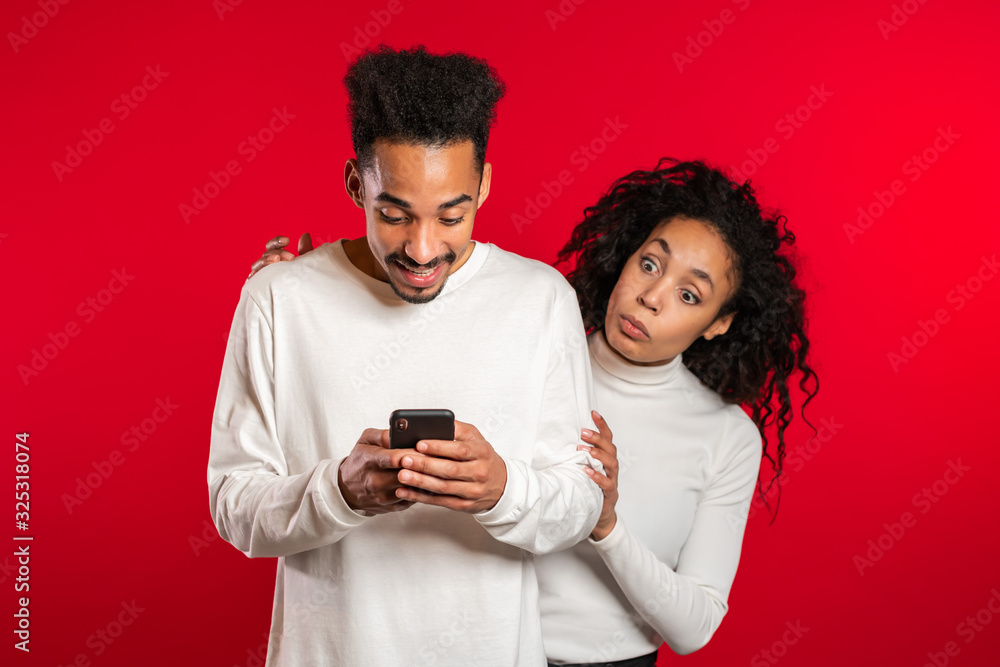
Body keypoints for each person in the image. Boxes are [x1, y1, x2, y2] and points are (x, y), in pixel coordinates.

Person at [252, 158, 818, 667]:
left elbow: (694, 627)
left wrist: (605, 524)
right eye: (650, 264)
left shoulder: (727, 437)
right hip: (484, 649)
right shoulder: (521, 341)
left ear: (720, 322)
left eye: (690, 294)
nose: (653, 296)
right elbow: (405, 360)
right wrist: (314, 297)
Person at [209, 45, 603, 667]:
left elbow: (581, 504)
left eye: (452, 216)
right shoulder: (279, 299)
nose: (422, 250)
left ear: (484, 185)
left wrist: (502, 490)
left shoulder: (541, 299)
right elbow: (234, 508)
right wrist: (339, 491)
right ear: (355, 185)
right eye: (394, 215)